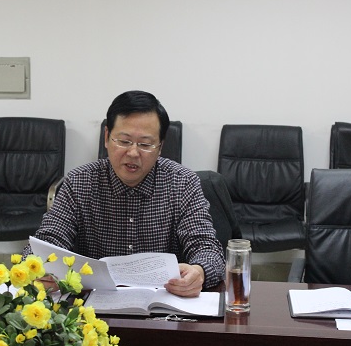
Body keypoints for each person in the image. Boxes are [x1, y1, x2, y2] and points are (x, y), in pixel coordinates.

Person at [23, 90, 225, 297]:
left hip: (165, 304)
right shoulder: (78, 183)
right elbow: (48, 239)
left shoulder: (183, 183)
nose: (133, 153)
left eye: (145, 144)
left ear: (160, 147)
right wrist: (39, 267)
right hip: (93, 307)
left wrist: (199, 271)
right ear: (106, 137)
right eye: (124, 141)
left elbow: (207, 247)